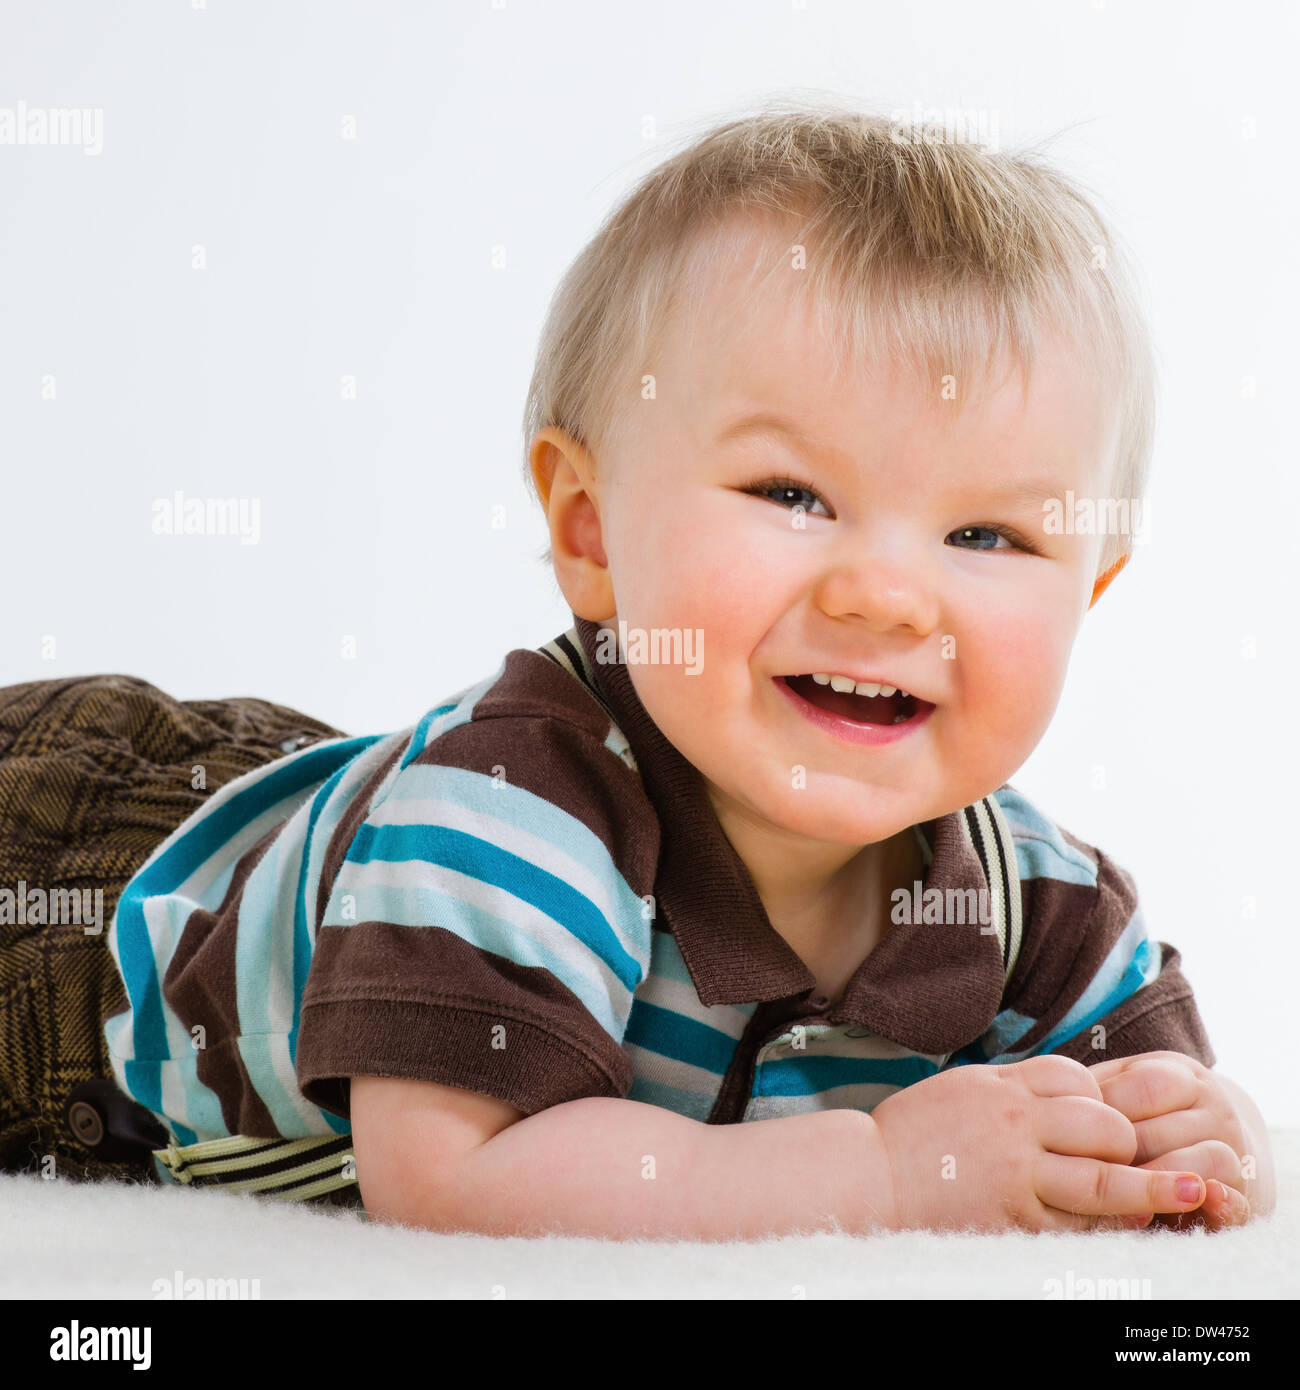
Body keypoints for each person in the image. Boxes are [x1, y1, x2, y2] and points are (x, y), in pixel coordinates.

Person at [0, 101, 1273, 1237]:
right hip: (78, 907)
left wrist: (1195, 1142)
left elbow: (1165, 1121)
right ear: (591, 525)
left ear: (1091, 589)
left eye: (987, 535)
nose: (886, 595)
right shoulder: (517, 809)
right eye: (793, 493)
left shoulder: (1031, 900)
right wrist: (882, 1174)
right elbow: (454, 1175)